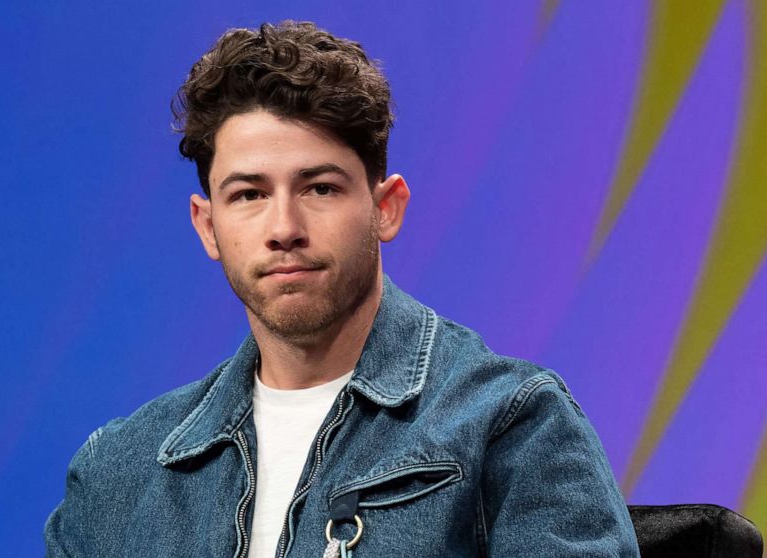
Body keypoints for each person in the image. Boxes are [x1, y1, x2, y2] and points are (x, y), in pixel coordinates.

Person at [45, 20, 639, 557]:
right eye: (249, 195)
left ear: (386, 208)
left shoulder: (510, 424)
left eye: (320, 188)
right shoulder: (116, 476)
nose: (283, 229)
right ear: (208, 226)